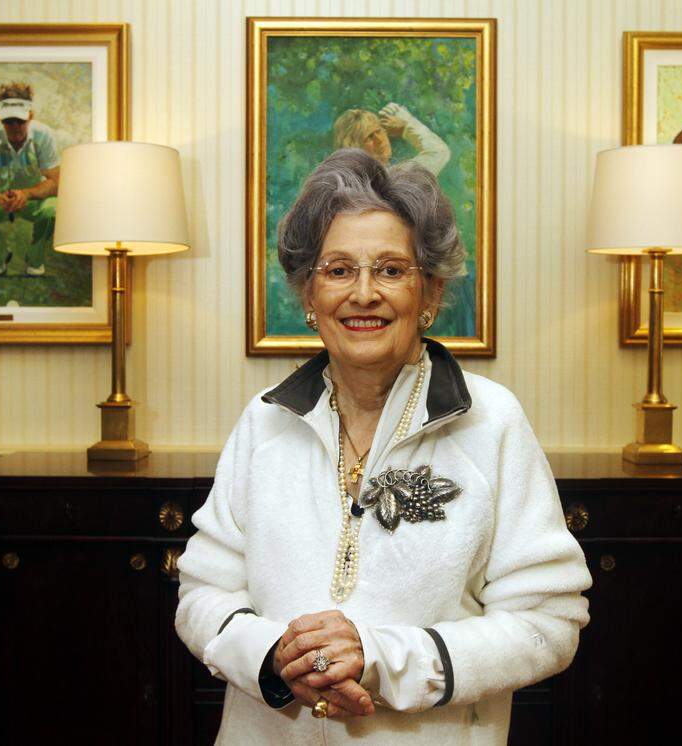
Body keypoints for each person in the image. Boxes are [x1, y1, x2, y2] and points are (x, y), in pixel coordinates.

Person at [174, 149, 591, 744]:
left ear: (430, 293)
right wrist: (275, 656)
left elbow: (548, 624)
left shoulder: (492, 422)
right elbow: (202, 594)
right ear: (309, 296)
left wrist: (379, 659)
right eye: (338, 270)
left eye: (391, 270)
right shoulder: (264, 421)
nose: (364, 293)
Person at [0, 82, 60, 277]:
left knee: (54, 209)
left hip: (33, 198)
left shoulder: (43, 135)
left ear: (30, 116)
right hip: (0, 197)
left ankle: (35, 257)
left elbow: (56, 181)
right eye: (9, 121)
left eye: (20, 120)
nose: (15, 126)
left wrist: (26, 194)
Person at [333, 103, 451, 177]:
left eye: (379, 130)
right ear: (353, 148)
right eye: (369, 137)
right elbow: (439, 152)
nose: (380, 139)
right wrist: (406, 125)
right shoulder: (394, 180)